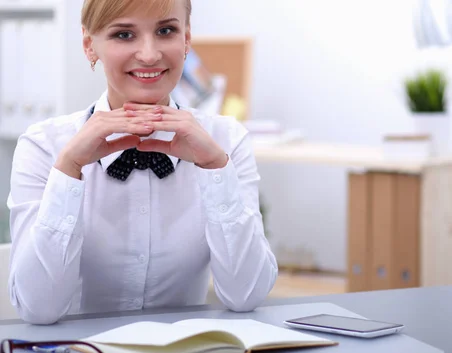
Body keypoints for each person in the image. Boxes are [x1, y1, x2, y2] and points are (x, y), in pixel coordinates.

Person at [6, 0, 278, 325]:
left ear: (186, 39)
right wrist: (68, 170)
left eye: (166, 30)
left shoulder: (226, 140)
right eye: (124, 34)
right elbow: (38, 309)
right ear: (90, 46)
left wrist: (216, 169)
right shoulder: (44, 146)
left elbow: (246, 295)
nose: (149, 54)